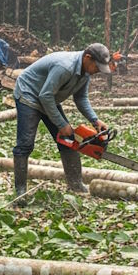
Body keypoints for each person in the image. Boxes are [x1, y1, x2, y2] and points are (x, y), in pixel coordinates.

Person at [12, 43, 114, 196]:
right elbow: (44, 96)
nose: (97, 71)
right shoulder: (65, 67)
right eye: (96, 67)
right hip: (30, 95)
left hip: (49, 98)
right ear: (87, 58)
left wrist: (95, 120)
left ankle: (76, 184)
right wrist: (61, 124)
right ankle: (20, 190)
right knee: (25, 144)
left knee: (69, 141)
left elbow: (81, 98)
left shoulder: (85, 73)